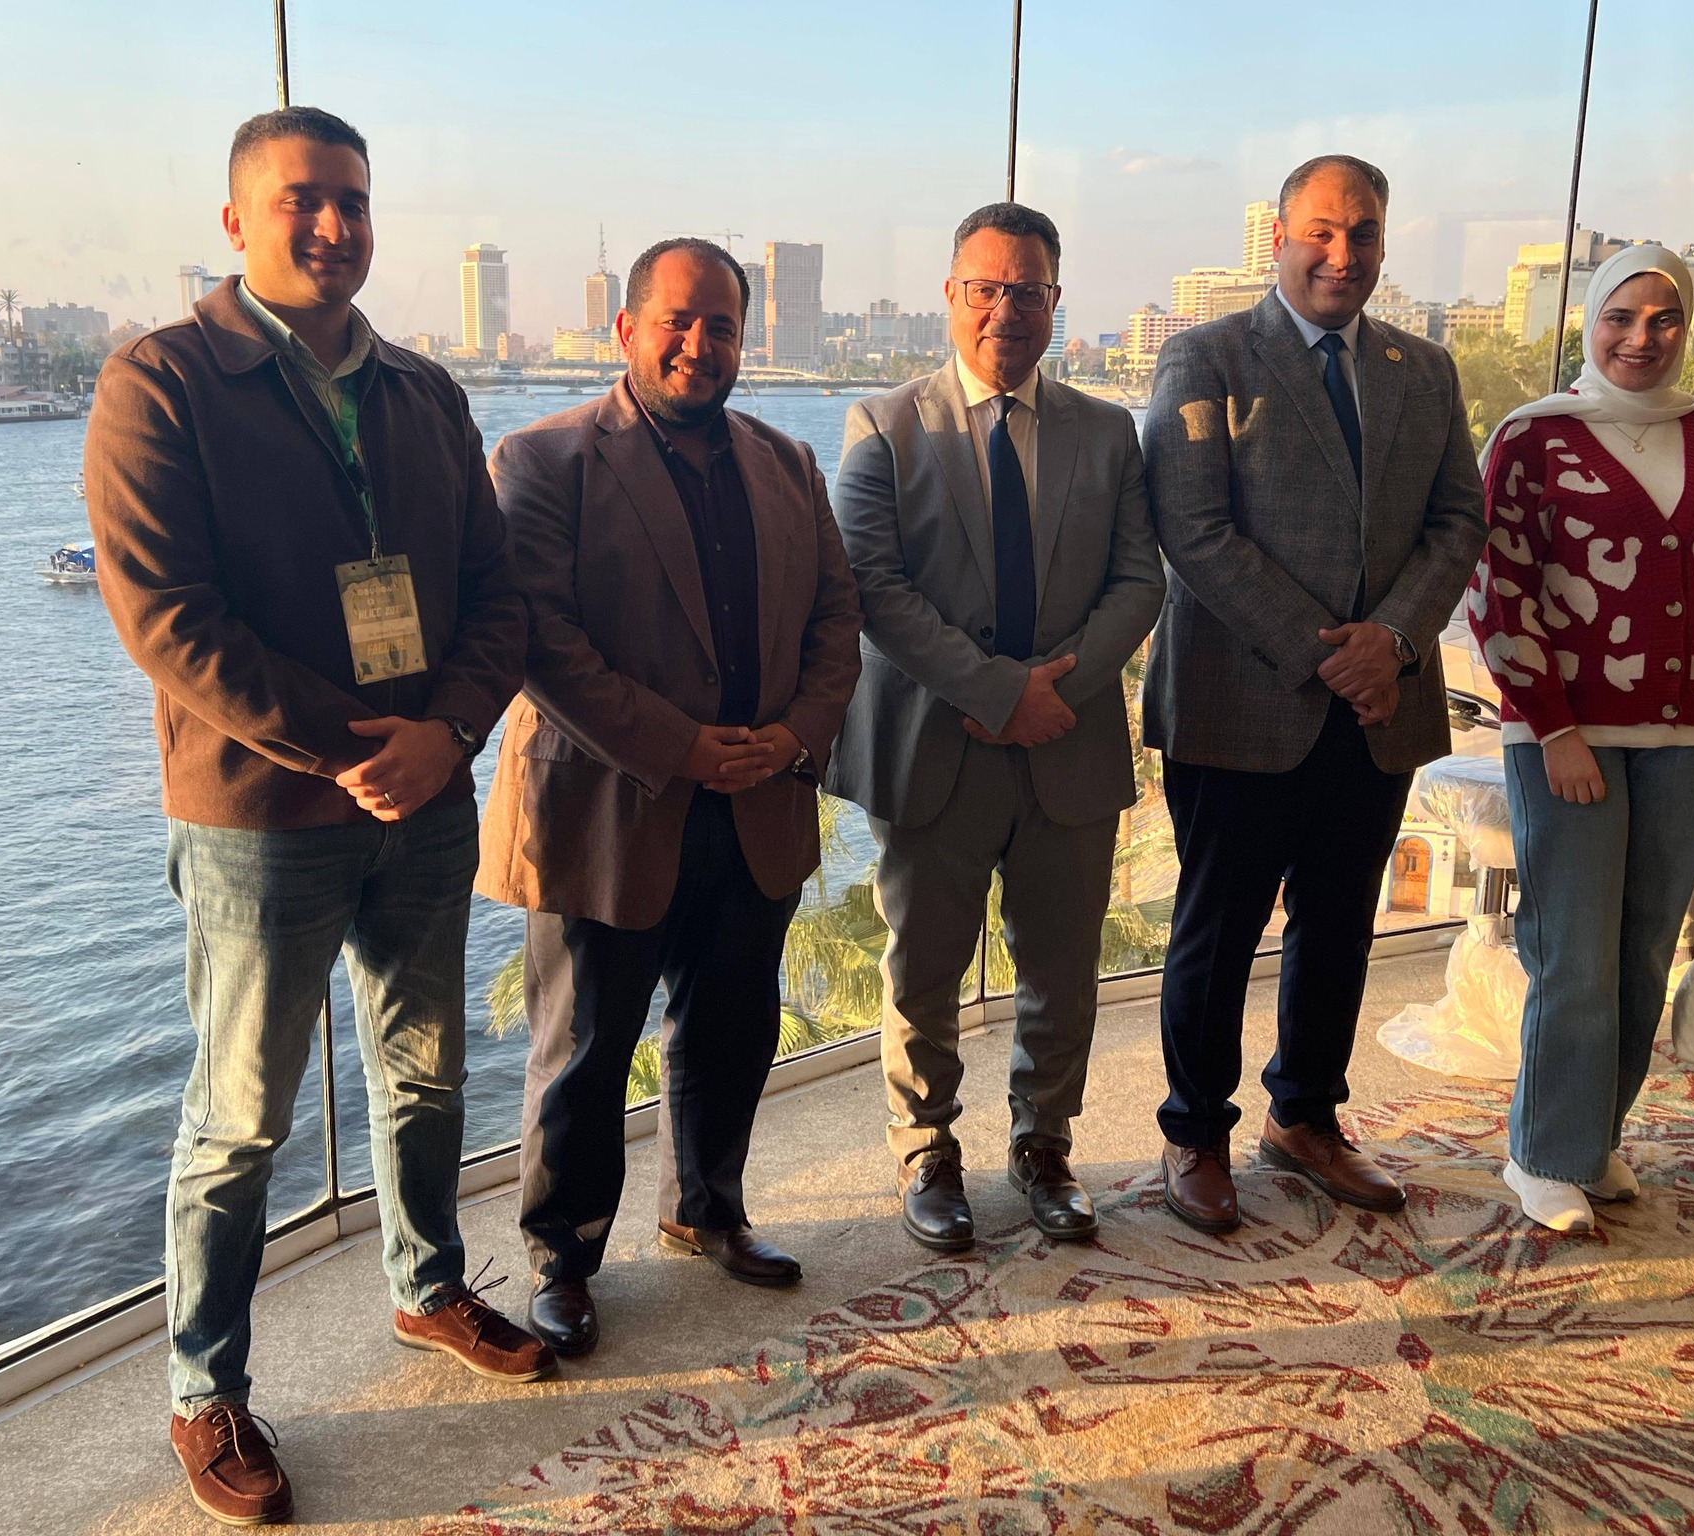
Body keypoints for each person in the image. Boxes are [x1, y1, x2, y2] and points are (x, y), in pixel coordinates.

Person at [86, 107, 547, 1527]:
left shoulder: (423, 393)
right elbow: (167, 621)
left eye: (353, 198)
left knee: (425, 1074)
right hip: (258, 821)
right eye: (302, 201)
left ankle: (427, 1288)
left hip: (426, 797)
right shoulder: (161, 383)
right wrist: (364, 751)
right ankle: (203, 1390)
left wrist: (446, 735)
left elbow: (498, 596)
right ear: (237, 221)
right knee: (239, 1119)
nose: (334, 226)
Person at [477, 238, 862, 1358]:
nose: (700, 343)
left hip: (757, 798)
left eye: (722, 326)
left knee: (733, 1025)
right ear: (628, 329)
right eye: (678, 322)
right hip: (607, 805)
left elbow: (836, 617)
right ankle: (562, 1256)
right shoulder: (542, 460)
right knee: (585, 1048)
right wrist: (683, 746)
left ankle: (707, 1208)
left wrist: (793, 736)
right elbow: (544, 643)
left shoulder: (788, 463)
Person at [1142, 155, 1487, 1235]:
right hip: (1239, 701)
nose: (1343, 254)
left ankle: (1304, 1118)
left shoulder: (1424, 369)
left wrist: (1392, 641)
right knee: (1217, 929)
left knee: (1339, 924)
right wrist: (1327, 651)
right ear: (1279, 239)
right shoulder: (1204, 357)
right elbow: (1192, 529)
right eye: (1323, 232)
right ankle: (1194, 1130)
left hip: (1379, 705)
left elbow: (1458, 521)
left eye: (1364, 233)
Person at [827, 202, 1165, 1252]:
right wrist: (993, 692)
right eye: (985, 288)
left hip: (1069, 737)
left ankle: (1043, 1146)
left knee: (1061, 969)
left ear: (1055, 302)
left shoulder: (1107, 432)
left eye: (1027, 291)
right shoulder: (883, 426)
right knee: (922, 969)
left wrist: (1052, 692)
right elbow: (873, 587)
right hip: (935, 747)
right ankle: (925, 1152)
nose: (1004, 311)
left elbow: (1139, 580)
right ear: (949, 294)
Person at [1468, 243, 1694, 1232]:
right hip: (1567, 733)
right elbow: (1497, 590)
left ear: (1685, 326)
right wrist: (1553, 729)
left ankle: (1591, 1136)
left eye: (1663, 319)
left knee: (1645, 944)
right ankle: (1541, 1155)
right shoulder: (1531, 438)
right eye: (1620, 317)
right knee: (1573, 948)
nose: (1640, 338)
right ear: (1589, 322)